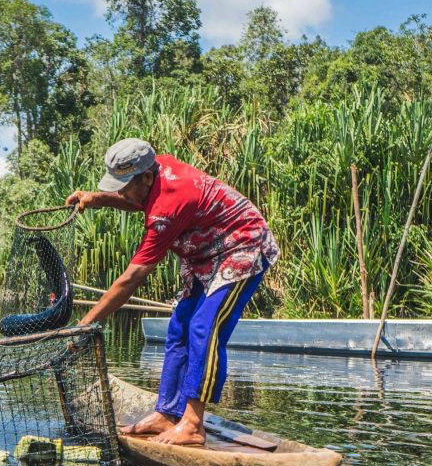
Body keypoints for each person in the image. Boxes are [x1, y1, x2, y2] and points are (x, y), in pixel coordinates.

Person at [67, 138, 279, 446]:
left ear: (147, 176)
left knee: (204, 327)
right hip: (204, 253)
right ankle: (167, 414)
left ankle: (193, 424)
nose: (121, 192)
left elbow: (132, 278)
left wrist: (87, 322)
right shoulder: (154, 170)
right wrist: (97, 198)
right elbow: (138, 199)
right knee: (179, 327)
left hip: (241, 246)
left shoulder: (169, 207)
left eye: (125, 185)